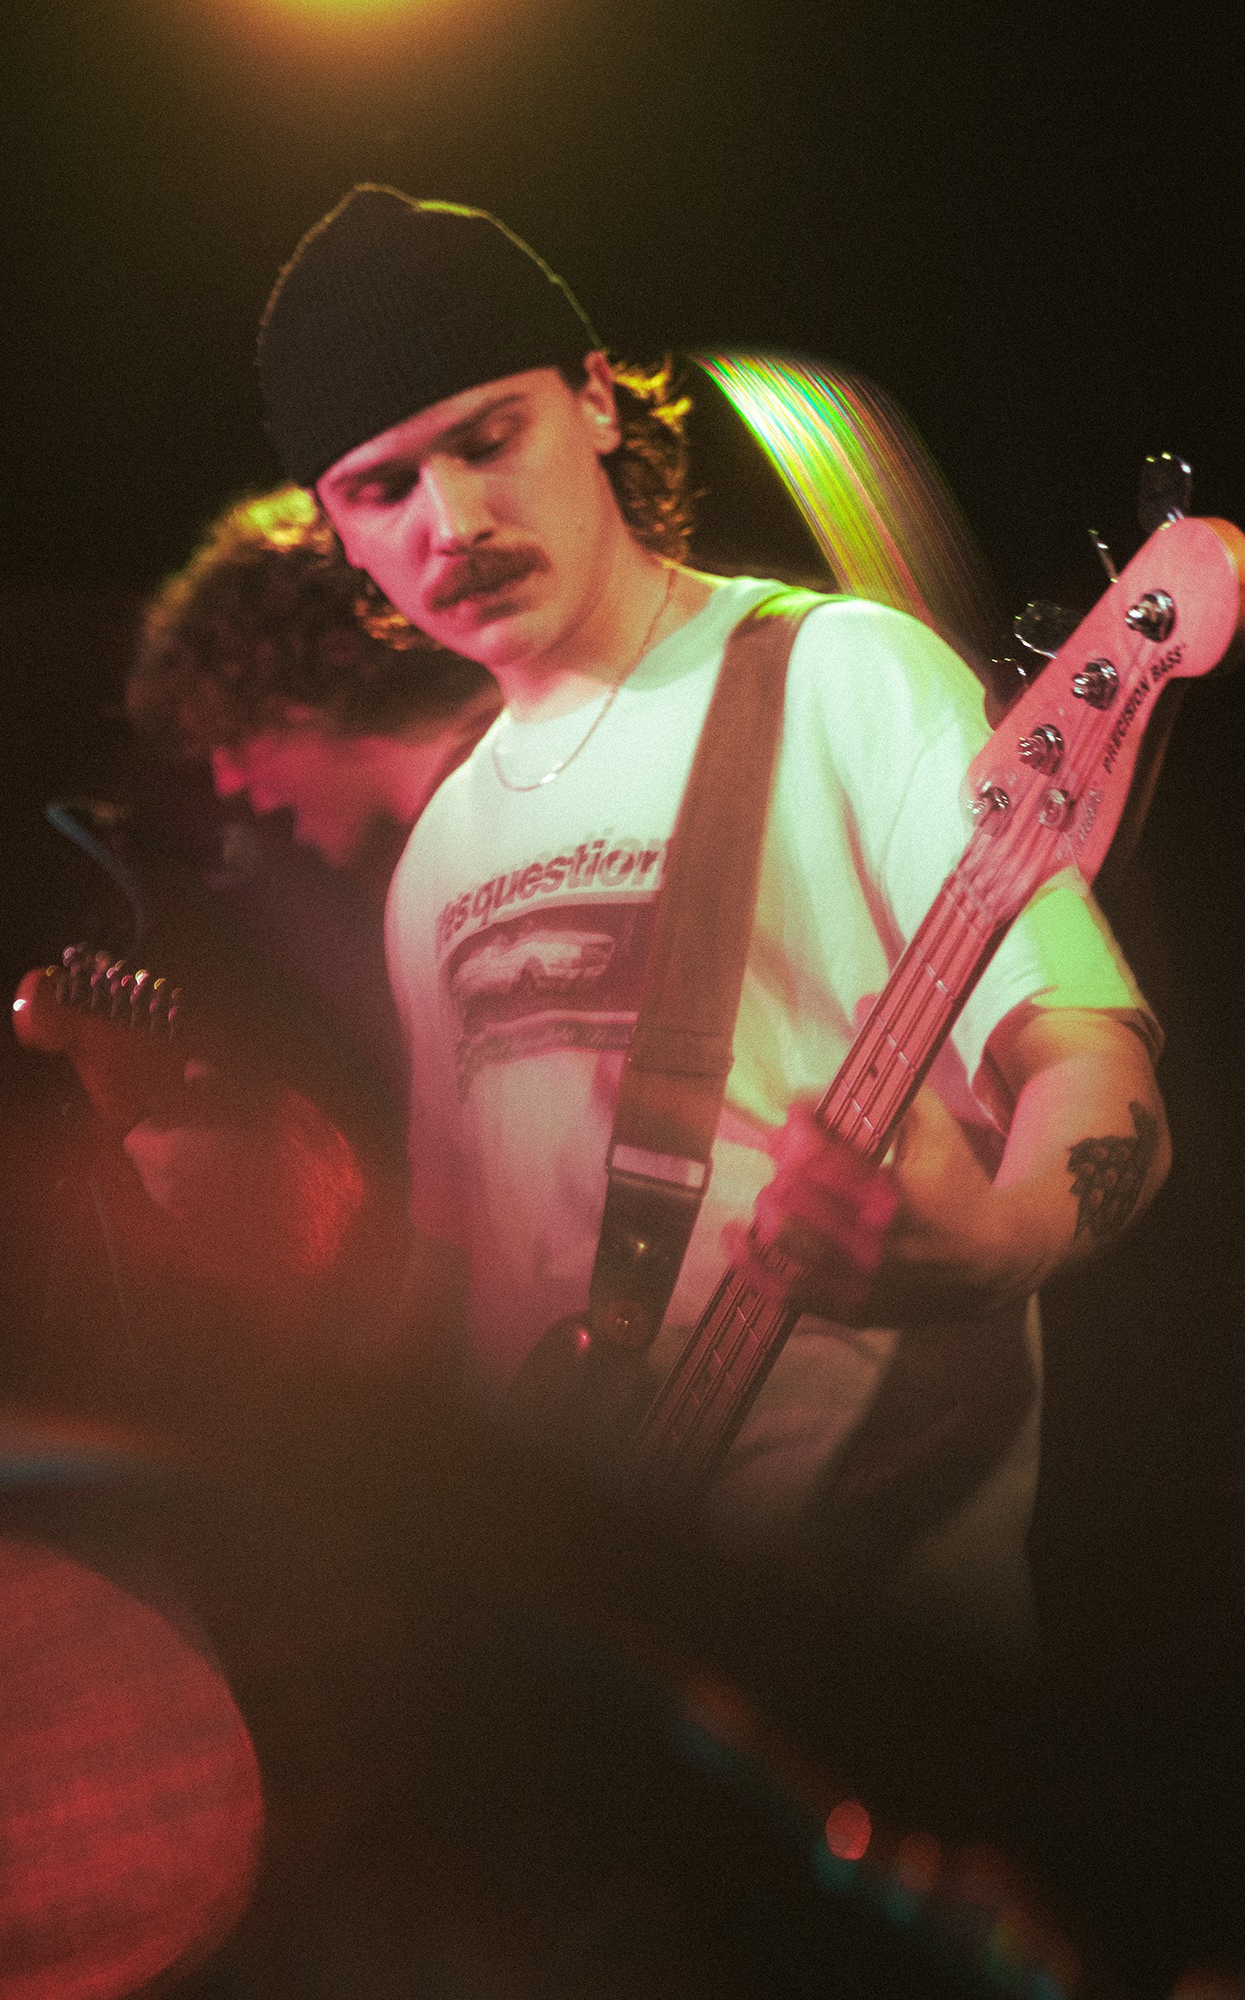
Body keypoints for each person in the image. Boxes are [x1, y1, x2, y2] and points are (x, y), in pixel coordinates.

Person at [253, 185, 1168, 1649]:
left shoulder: (843, 674)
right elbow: (463, 1272)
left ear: (596, 399)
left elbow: (1099, 1070)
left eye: (489, 438)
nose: (455, 520)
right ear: (337, 534)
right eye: (383, 488)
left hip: (874, 1633)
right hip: (590, 1642)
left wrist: (997, 1239)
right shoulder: (435, 858)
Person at [126, 482, 500, 1122]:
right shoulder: (439, 846)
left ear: (301, 691)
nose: (228, 782)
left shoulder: (500, 816)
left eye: (234, 738)